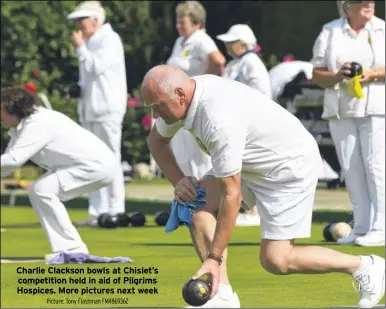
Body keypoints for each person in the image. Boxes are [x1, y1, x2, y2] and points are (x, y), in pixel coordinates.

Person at [142, 65, 385, 309]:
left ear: (180, 95)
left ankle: (365, 266)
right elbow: (157, 140)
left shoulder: (217, 119)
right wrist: (180, 181)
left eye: (157, 106)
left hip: (288, 166)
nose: (154, 115)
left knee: (276, 260)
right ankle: (220, 296)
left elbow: (231, 195)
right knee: (195, 201)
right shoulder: (182, 99)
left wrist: (214, 258)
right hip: (251, 162)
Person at [0, 87, 118, 260]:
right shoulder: (20, 127)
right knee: (41, 190)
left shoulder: (37, 123)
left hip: (95, 166)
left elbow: (13, 159)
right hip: (86, 166)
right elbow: (8, 165)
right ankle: (71, 249)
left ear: (13, 108)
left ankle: (72, 249)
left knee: (42, 190)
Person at [311, 0, 385, 246]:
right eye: (362, 1)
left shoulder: (381, 29)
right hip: (341, 110)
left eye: (371, 0)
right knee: (351, 170)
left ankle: (381, 227)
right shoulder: (330, 30)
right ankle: (362, 226)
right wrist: (336, 76)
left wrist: (372, 74)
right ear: (347, 5)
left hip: (376, 108)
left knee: (376, 167)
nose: (370, 3)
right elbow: (316, 74)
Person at [67, 0, 127, 226]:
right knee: (91, 160)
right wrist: (78, 89)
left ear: (95, 19)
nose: (79, 25)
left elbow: (96, 67)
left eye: (81, 20)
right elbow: (89, 76)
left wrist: (80, 48)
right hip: (90, 109)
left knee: (111, 158)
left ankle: (116, 208)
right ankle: (97, 211)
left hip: (107, 109)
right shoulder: (90, 41)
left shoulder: (109, 39)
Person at [216, 24, 272, 226]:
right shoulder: (236, 64)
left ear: (242, 44)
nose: (227, 46)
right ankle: (249, 208)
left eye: (231, 42)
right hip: (236, 124)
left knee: (249, 166)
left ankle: (255, 211)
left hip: (251, 125)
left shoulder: (252, 63)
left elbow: (261, 93)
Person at [165, 0, 226, 182]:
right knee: (183, 154)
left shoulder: (200, 39)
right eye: (177, 21)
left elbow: (218, 60)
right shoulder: (180, 42)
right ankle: (189, 204)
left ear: (196, 22)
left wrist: (201, 84)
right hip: (179, 107)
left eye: (182, 22)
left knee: (199, 156)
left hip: (195, 105)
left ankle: (207, 203)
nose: (178, 26)